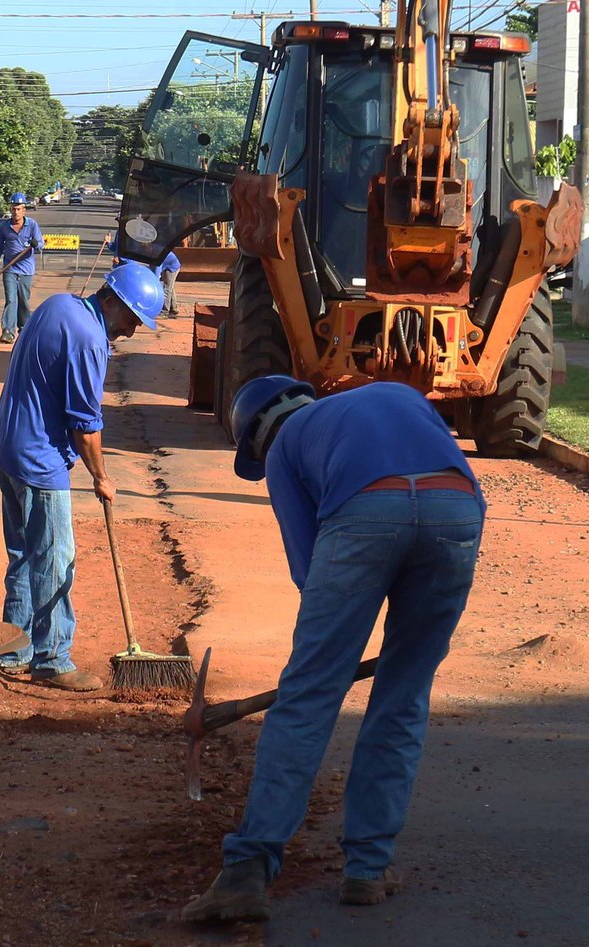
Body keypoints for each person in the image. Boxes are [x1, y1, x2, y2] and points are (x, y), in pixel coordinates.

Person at [182, 377, 486, 924]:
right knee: (403, 696)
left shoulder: (283, 445)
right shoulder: (394, 393)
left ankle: (247, 871)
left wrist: (328, 660)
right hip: (457, 508)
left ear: (257, 436)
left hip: (366, 512)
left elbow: (308, 572)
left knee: (307, 700)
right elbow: (436, 463)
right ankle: (368, 868)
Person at [0, 263, 164, 692]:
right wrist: (101, 476)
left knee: (24, 555)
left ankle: (15, 651)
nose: (133, 330)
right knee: (54, 558)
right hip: (38, 461)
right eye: (133, 319)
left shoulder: (58, 305)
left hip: (7, 447)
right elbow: (85, 425)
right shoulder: (89, 340)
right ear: (114, 302)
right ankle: (52, 659)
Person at [0, 192, 43, 344]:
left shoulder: (32, 225)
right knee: (11, 300)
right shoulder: (4, 226)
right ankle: (8, 331)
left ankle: (25, 329)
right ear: (10, 209)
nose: (16, 212)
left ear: (24, 209)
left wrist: (35, 244)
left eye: (19, 209)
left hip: (26, 271)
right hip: (9, 270)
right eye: (13, 208)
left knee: (24, 301)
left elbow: (40, 243)